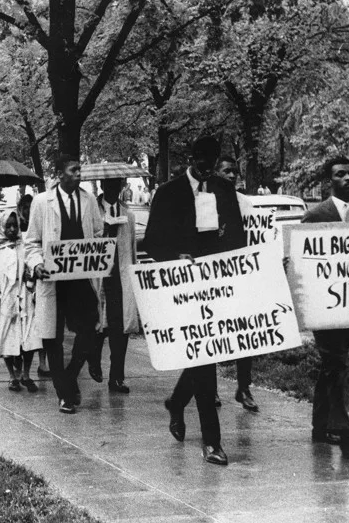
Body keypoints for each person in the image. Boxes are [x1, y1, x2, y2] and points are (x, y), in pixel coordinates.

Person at [143, 136, 247, 466]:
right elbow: (152, 244)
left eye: (212, 162)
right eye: (202, 161)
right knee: (204, 359)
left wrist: (227, 254)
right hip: (183, 288)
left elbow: (238, 238)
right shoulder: (169, 192)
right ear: (192, 157)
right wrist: (176, 256)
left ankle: (177, 403)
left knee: (207, 355)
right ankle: (211, 442)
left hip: (216, 285)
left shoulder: (223, 190)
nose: (206, 168)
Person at [300, 156, 349, 457]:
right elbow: (303, 261)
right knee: (337, 364)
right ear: (329, 181)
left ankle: (320, 428)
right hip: (323, 307)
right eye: (340, 174)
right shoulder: (316, 215)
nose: (348, 178)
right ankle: (343, 431)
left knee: (331, 366)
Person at [25, 155, 103, 414]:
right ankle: (64, 392)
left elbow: (99, 234)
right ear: (60, 174)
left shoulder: (89, 200)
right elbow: (32, 241)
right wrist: (36, 264)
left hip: (81, 277)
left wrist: (100, 255)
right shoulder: (41, 202)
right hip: (53, 280)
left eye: (80, 169)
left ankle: (70, 376)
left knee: (90, 329)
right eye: (74, 170)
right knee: (53, 336)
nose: (79, 174)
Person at [212, 156, 259, 412]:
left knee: (245, 334)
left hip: (240, 276)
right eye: (226, 171)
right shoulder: (208, 201)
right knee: (214, 333)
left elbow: (257, 237)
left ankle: (244, 387)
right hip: (215, 277)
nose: (232, 176)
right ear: (216, 173)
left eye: (235, 172)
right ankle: (212, 389)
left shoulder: (245, 203)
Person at [87, 178, 138, 394]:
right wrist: (104, 229)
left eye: (116, 185)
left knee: (120, 329)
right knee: (98, 325)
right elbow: (86, 241)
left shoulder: (129, 215)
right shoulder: (92, 212)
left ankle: (117, 377)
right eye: (108, 185)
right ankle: (94, 360)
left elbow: (132, 248)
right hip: (99, 275)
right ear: (101, 186)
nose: (112, 190)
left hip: (120, 276)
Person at [0, 210, 41, 392]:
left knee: (29, 336)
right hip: (5, 299)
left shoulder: (23, 246)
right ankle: (12, 376)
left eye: (14, 225)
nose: (11, 229)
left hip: (24, 296)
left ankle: (26, 374)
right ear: (1, 227)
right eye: (7, 226)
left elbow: (30, 268)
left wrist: (30, 279)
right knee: (7, 337)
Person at [17, 193, 49, 377]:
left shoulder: (41, 228)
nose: (29, 212)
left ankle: (43, 362)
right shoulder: (17, 228)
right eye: (26, 208)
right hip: (23, 283)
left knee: (42, 322)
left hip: (39, 279)